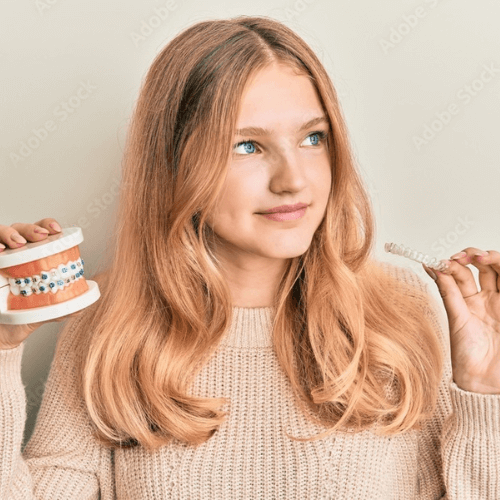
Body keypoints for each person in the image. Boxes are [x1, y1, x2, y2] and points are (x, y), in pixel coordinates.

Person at [0, 15, 499, 500]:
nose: (294, 180)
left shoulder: (403, 309)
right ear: (174, 164)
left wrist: (485, 394)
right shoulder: (110, 322)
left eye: (312, 138)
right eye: (247, 146)